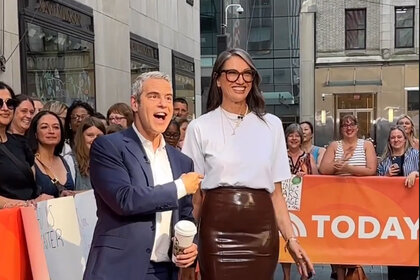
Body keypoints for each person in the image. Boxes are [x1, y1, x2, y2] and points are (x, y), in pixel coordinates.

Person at [182, 48, 314, 280]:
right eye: (232, 73)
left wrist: (291, 239)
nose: (240, 80)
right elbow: (195, 196)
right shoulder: (199, 127)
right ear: (218, 80)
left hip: (261, 232)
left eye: (247, 74)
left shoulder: (271, 125)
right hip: (216, 232)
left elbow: (277, 195)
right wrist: (187, 245)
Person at [83, 71, 203, 280]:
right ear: (135, 103)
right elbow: (124, 199)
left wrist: (189, 247)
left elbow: (185, 215)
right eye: (154, 96)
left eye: (168, 98)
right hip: (119, 270)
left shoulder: (181, 161)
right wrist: (180, 187)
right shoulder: (109, 147)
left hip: (166, 272)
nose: (163, 104)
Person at [319, 114, 377, 280]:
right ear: (341, 129)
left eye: (352, 124)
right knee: (338, 239)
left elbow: (371, 169)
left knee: (355, 238)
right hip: (337, 199)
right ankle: (339, 276)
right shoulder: (334, 145)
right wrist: (337, 167)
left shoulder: (366, 145)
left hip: (360, 199)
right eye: (345, 125)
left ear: (357, 127)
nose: (349, 127)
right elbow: (324, 169)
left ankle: (355, 272)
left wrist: (348, 167)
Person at [0, 82, 51, 208]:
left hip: (26, 220)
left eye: (9, 103)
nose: (5, 108)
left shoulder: (20, 143)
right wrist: (26, 204)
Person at [377, 125, 419, 279]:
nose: (396, 140)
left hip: (412, 212)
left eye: (399, 137)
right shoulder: (384, 160)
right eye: (393, 137)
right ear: (389, 140)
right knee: (393, 250)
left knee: (410, 248)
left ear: (405, 139)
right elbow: (376, 185)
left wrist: (416, 173)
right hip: (391, 212)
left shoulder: (416, 155)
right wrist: (386, 177)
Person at [281, 123, 318, 280]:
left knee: (304, 239)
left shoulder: (308, 157)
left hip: (305, 204)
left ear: (302, 138)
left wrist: (307, 176)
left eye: (297, 135)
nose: (294, 138)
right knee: (285, 239)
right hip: (284, 204)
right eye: (291, 135)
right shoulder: (280, 156)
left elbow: (317, 177)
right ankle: (286, 276)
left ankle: (304, 274)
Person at [27, 111, 75, 198]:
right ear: (35, 133)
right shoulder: (30, 163)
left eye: (56, 127)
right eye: (44, 127)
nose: (51, 131)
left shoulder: (64, 160)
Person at [72, 116, 106, 190]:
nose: (95, 139)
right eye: (90, 135)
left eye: (99, 136)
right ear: (81, 137)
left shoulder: (108, 161)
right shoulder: (71, 160)